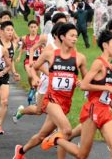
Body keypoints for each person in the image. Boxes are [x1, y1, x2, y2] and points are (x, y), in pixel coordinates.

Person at [41, 30, 112, 159]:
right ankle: (56, 140)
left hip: (105, 109)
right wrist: (108, 87)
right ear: (105, 45)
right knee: (82, 155)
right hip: (92, 111)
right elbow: (84, 85)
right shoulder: (98, 63)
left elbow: (99, 93)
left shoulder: (108, 66)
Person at [13, 23, 88, 159]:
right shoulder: (50, 54)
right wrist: (35, 78)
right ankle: (54, 140)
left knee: (42, 135)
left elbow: (86, 80)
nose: (75, 39)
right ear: (62, 37)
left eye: (76, 36)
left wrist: (82, 82)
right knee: (66, 130)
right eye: (71, 36)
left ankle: (21, 151)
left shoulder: (80, 58)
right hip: (51, 99)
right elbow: (33, 67)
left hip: (66, 103)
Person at [16, 20, 41, 105]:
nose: (33, 29)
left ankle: (35, 92)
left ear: (37, 28)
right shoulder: (25, 38)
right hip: (28, 60)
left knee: (37, 78)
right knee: (30, 75)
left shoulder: (40, 38)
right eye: (31, 27)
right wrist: (19, 56)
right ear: (28, 28)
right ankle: (32, 88)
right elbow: (23, 47)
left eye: (35, 27)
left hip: (38, 60)